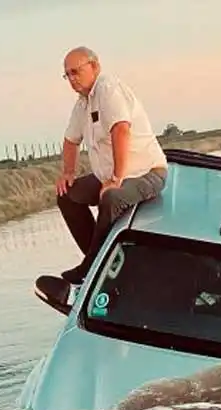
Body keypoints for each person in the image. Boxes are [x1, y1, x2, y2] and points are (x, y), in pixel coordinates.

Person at [54, 46, 169, 285]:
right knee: (67, 196)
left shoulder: (108, 90)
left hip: (146, 173)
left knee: (112, 198)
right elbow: (70, 140)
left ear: (94, 66)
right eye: (67, 75)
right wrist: (68, 172)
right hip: (106, 175)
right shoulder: (83, 103)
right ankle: (97, 261)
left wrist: (117, 177)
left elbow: (121, 130)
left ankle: (91, 268)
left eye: (76, 71)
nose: (72, 79)